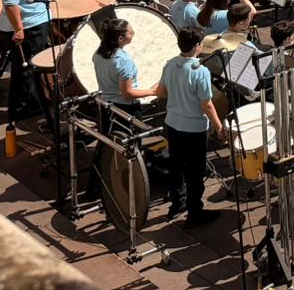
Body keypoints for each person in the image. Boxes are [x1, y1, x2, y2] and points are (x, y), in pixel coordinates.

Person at [157, 25, 228, 225]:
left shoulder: (170, 64)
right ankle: (195, 211)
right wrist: (219, 126)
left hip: (172, 123)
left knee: (176, 166)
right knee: (195, 172)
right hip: (194, 128)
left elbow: (161, 93)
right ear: (197, 46)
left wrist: (178, 93)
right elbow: (206, 104)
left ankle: (177, 203)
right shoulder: (200, 71)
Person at [0, 0, 54, 123]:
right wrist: (19, 29)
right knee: (26, 69)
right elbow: (10, 3)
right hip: (28, 29)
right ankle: (23, 109)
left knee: (27, 69)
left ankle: (29, 104)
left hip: (32, 25)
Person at [93, 17, 158, 106]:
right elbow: (128, 94)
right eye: (130, 32)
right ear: (120, 38)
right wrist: (154, 91)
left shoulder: (98, 53)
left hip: (105, 104)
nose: (133, 33)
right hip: (125, 108)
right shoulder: (124, 61)